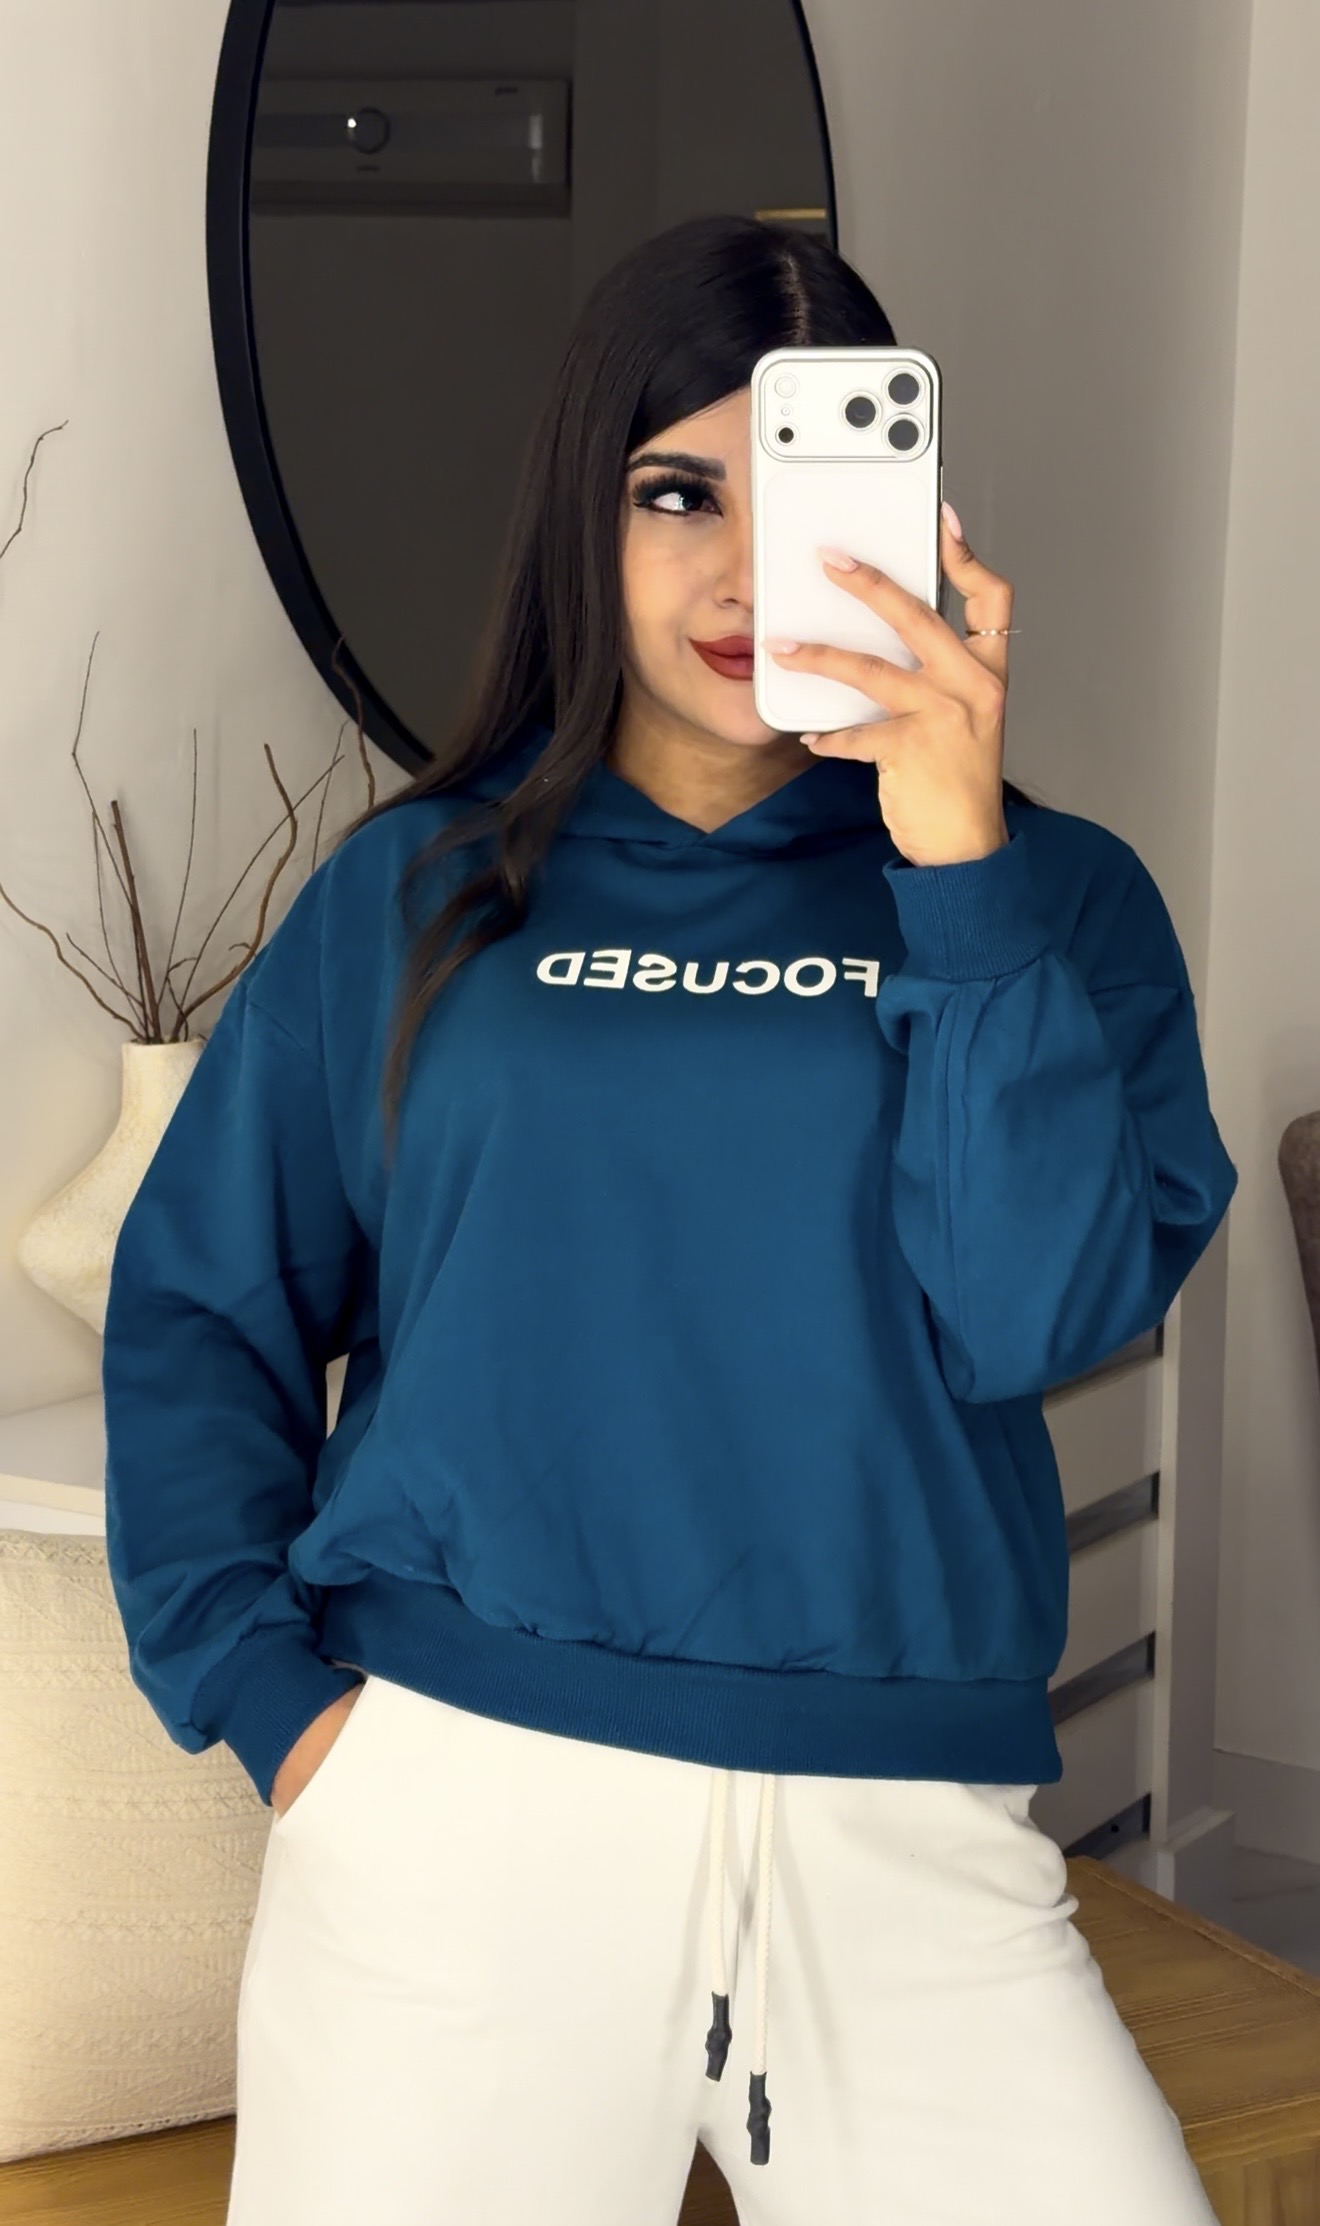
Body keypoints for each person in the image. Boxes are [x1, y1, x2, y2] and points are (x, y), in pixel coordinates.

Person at [102, 213, 1236, 2225]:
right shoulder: (413, 898)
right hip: (455, 1829)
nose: (740, 569)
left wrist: (954, 861)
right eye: (676, 490)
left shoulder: (1056, 902)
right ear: (585, 513)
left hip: (907, 1841)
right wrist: (285, 1718)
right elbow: (202, 1306)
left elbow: (1037, 1311)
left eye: (802, 490)